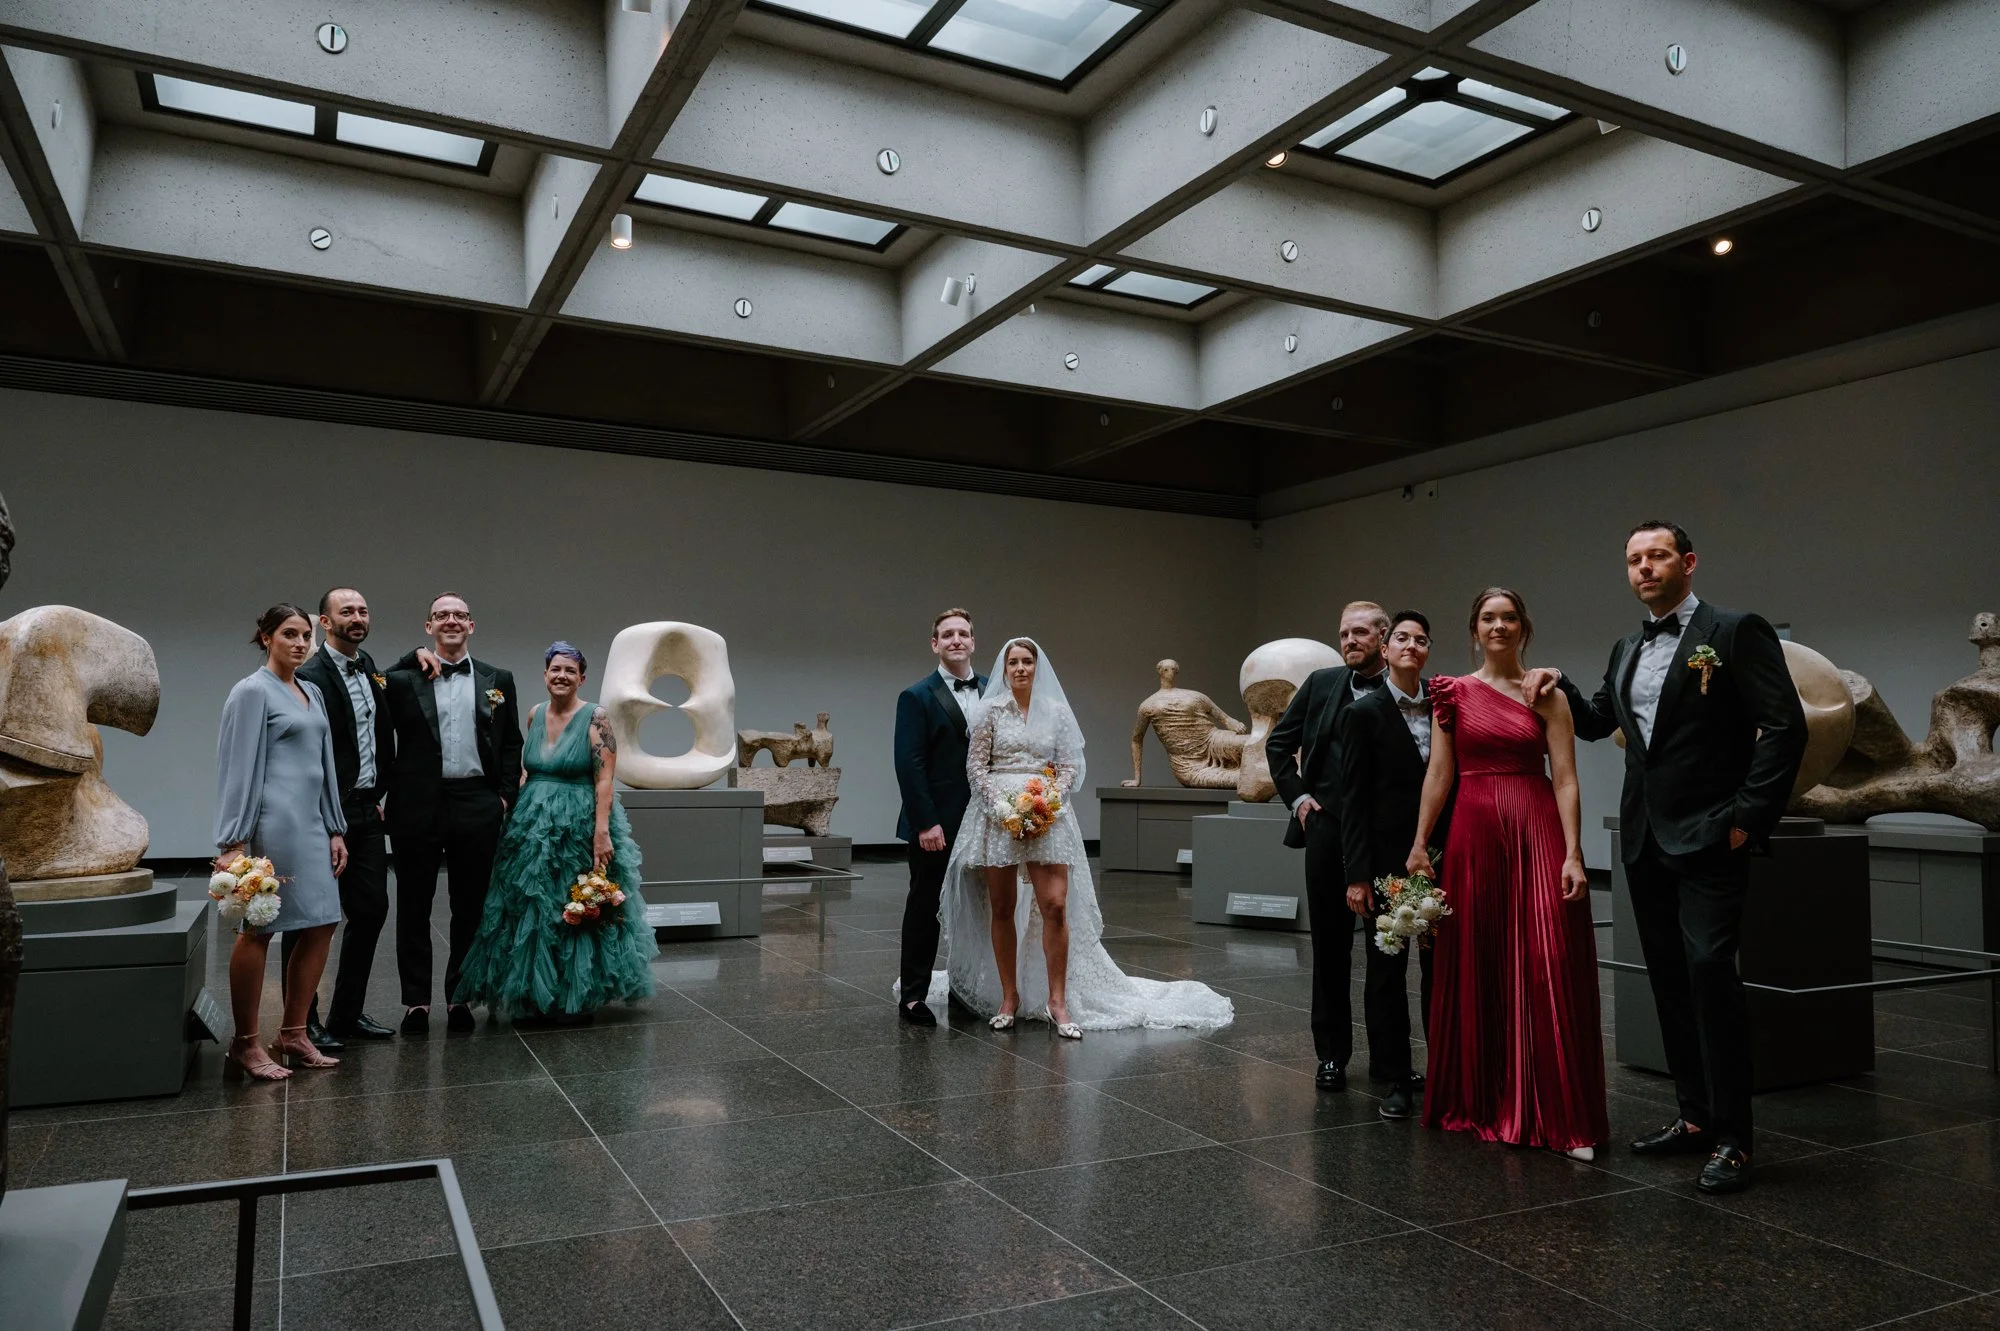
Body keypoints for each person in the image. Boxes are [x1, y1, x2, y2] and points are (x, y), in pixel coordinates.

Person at [1536, 522, 1805, 1193]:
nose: (1644, 567)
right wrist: (1557, 683)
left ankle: (1736, 1138)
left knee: (1711, 971)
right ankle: (1694, 1116)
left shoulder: (1736, 630)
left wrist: (1747, 817)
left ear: (1687, 561)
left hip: (1715, 834)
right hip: (1645, 837)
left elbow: (1785, 726)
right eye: (1633, 559)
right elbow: (1600, 719)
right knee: (1668, 979)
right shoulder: (1628, 643)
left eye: (1656, 555)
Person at [941, 637, 1233, 1036]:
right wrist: (1003, 808)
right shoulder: (989, 711)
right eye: (1014, 662)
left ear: (1037, 667)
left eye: (1028, 661)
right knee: (1002, 906)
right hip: (998, 816)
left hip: (1047, 812)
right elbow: (976, 769)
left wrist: (1048, 801)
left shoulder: (1056, 711)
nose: (1021, 668)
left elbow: (1068, 766)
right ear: (1005, 669)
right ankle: (1009, 997)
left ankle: (1057, 1000)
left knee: (1055, 905)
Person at [1408, 588, 1606, 1158]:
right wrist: (1420, 842)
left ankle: (1564, 1117)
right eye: (1489, 618)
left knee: (1549, 959)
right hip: (1473, 832)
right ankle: (1480, 1101)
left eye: (1510, 617)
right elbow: (1439, 775)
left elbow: (1565, 778)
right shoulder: (1452, 693)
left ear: (1524, 628)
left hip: (1536, 826)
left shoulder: (1547, 694)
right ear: (1475, 629)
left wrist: (1573, 852)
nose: (1499, 626)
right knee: (1480, 958)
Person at [454, 642, 656, 1023]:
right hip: (532, 822)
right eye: (554, 669)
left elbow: (605, 778)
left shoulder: (596, 717)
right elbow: (529, 769)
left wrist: (601, 831)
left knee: (575, 900)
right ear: (545, 675)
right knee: (531, 905)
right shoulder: (535, 714)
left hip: (578, 820)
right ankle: (532, 991)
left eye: (569, 670)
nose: (561, 676)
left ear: (582, 678)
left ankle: (574, 994)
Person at [214, 604, 349, 1080]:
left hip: (311, 825)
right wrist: (233, 840)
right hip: (273, 826)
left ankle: (293, 1032)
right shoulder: (251, 692)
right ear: (266, 637)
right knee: (260, 929)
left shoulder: (310, 689)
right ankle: (245, 1043)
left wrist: (335, 826)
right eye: (289, 634)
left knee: (322, 922)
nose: (299, 643)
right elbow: (236, 765)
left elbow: (325, 763)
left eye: (305, 635)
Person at [380, 593, 523, 1034]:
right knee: (414, 905)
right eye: (442, 615)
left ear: (472, 625)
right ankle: (416, 1003)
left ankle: (460, 997)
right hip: (416, 803)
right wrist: (409, 657)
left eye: (459, 615)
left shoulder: (498, 678)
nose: (451, 621)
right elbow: (372, 687)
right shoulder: (404, 679)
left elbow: (512, 741)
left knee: (470, 907)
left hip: (476, 802)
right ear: (429, 627)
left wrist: (502, 797)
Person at [1266, 600, 1391, 1092]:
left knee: (1388, 949)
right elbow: (1278, 745)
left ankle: (1388, 1060)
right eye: (1344, 634)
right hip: (1328, 830)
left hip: (1387, 838)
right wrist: (1297, 798)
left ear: (1383, 637)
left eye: (1360, 633)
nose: (1350, 642)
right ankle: (1332, 1056)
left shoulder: (1407, 689)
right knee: (1331, 948)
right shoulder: (1321, 685)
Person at [1336, 610, 1448, 1120]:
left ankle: (1447, 1069)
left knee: (1441, 970)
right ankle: (1396, 1075)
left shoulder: (1446, 708)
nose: (1411, 646)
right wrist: (1356, 874)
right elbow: (1353, 800)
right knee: (1386, 971)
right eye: (1401, 637)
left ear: (1427, 651)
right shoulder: (1364, 713)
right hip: (1385, 863)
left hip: (1444, 856)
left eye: (1420, 640)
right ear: (1385, 649)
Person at [285, 587, 397, 1047]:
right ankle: (301, 1019)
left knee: (371, 910)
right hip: (321, 812)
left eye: (363, 609)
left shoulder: (369, 666)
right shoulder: (308, 676)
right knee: (308, 917)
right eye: (346, 610)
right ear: (324, 623)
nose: (357, 616)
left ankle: (346, 1015)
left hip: (367, 809)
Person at [892, 608, 985, 1027]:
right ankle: (913, 996)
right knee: (925, 907)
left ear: (973, 641)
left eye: (963, 633)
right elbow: (909, 764)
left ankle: (970, 989)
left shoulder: (992, 690)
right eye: (947, 634)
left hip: (986, 821)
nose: (956, 640)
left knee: (978, 907)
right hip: (936, 824)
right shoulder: (916, 696)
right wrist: (926, 822)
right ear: (935, 644)